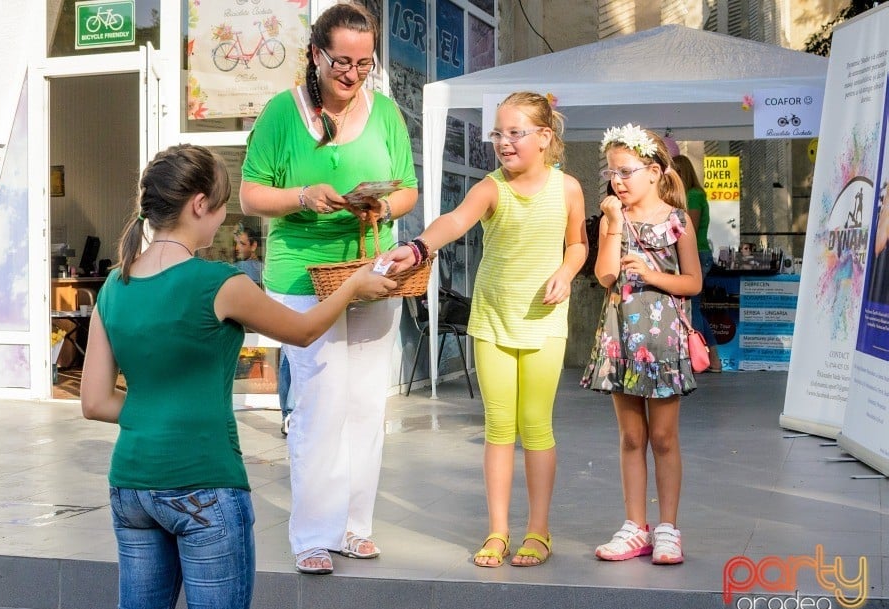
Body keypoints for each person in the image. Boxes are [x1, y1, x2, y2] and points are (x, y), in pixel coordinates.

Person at [79, 144, 395, 609]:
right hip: (204, 483)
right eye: (222, 206)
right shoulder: (220, 283)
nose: (223, 219)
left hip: (132, 485)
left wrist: (154, 415)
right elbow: (306, 331)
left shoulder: (114, 288)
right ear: (199, 204)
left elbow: (95, 402)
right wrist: (354, 284)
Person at [238, 2, 419, 575]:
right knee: (320, 404)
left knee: (367, 404)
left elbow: (409, 191)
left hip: (371, 271)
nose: (352, 74)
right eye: (342, 61)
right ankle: (312, 534)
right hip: (301, 279)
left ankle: (353, 526)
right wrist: (301, 196)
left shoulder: (386, 114)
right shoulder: (280, 114)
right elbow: (248, 196)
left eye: (364, 65)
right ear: (316, 54)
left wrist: (383, 205)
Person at [385, 91, 587, 567]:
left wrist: (566, 271)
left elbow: (577, 243)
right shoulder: (492, 187)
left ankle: (539, 532)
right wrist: (417, 249)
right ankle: (498, 531)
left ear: (544, 137)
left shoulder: (569, 188)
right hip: (493, 320)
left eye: (514, 132)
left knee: (536, 426)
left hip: (544, 324)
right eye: (498, 133)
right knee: (499, 427)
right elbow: (454, 221)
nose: (503, 142)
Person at [580, 124, 702, 565]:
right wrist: (612, 225)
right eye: (611, 173)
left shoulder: (677, 220)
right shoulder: (615, 219)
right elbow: (605, 275)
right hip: (621, 338)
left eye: (626, 171)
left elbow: (693, 282)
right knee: (632, 437)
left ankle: (667, 527)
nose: (617, 181)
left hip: (663, 339)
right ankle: (636, 526)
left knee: (664, 438)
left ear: (654, 171)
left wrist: (651, 276)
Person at [672, 154, 721, 372]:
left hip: (697, 254)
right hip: (701, 253)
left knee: (693, 309)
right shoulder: (696, 194)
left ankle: (700, 358)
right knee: (695, 308)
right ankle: (711, 359)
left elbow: (687, 227)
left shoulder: (692, 195)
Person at [233, 219, 263, 284]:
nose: (236, 248)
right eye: (235, 243)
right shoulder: (263, 268)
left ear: (253, 246)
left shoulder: (238, 267)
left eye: (242, 244)